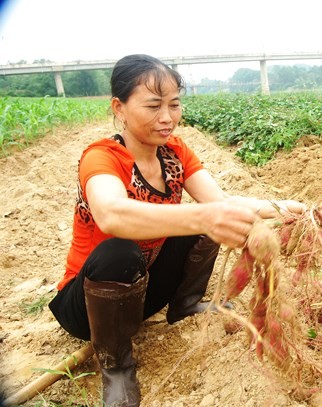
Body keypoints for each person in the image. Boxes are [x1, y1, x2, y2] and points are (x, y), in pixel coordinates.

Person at [48, 54, 306, 407]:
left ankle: (184, 305)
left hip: (144, 290)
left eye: (174, 104)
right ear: (119, 108)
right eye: (153, 106)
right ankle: (118, 367)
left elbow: (221, 201)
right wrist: (203, 216)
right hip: (89, 304)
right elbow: (111, 214)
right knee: (120, 250)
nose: (167, 117)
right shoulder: (102, 157)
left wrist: (281, 207)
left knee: (208, 217)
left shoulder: (175, 153)